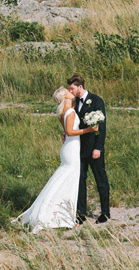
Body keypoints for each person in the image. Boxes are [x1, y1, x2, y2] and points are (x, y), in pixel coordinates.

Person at [14, 86, 96, 232]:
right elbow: (70, 132)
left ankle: (58, 213)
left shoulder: (62, 112)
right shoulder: (70, 112)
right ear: (65, 97)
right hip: (71, 148)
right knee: (69, 180)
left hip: (68, 148)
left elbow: (65, 131)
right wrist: (89, 129)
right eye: (68, 92)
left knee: (62, 179)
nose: (71, 93)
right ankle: (62, 216)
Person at [67, 74, 109, 224]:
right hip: (79, 148)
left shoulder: (96, 101)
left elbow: (101, 127)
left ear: (80, 87)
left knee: (100, 179)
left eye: (72, 88)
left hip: (94, 148)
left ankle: (105, 212)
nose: (70, 91)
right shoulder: (74, 103)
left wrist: (98, 147)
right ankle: (81, 213)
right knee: (80, 181)